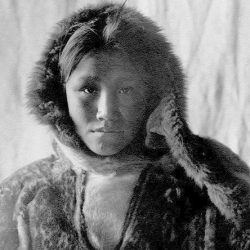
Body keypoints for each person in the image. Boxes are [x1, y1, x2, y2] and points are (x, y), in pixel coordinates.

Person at [0, 2, 250, 249]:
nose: (106, 112)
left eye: (126, 90)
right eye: (88, 89)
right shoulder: (23, 194)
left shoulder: (212, 185)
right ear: (58, 95)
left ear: (153, 95)